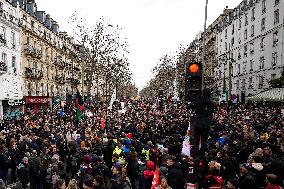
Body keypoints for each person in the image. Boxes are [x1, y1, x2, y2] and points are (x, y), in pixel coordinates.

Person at [190, 88, 216, 158]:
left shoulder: (198, 101)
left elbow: (189, 106)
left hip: (198, 123)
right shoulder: (211, 103)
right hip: (206, 124)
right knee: (204, 140)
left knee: (196, 140)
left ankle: (196, 154)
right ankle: (202, 155)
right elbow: (213, 110)